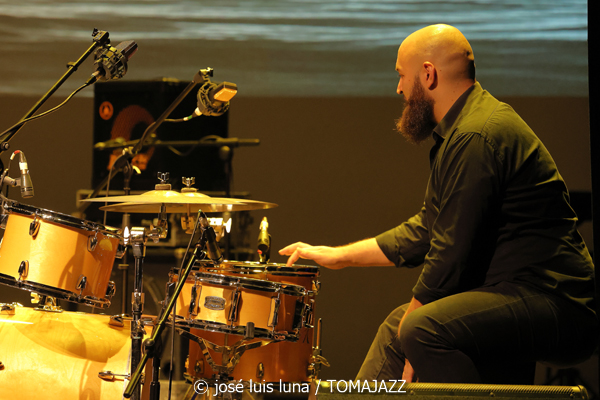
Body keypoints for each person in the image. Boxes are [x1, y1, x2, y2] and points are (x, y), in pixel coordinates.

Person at [280, 24, 598, 384]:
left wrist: (413, 332)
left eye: (401, 75)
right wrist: (339, 256)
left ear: (428, 74)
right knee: (399, 328)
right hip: (518, 295)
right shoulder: (465, 128)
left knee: (418, 327)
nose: (399, 88)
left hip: (557, 302)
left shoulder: (476, 135)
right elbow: (428, 228)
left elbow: (450, 252)